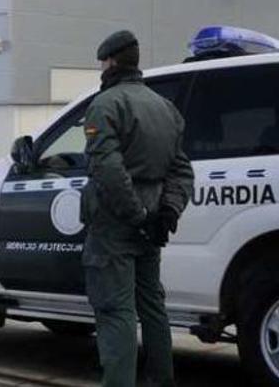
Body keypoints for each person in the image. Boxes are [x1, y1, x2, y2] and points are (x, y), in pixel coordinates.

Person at [81, 31, 195, 387]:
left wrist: (137, 216)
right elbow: (181, 169)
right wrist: (167, 214)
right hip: (151, 219)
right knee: (152, 306)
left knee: (116, 311)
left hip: (117, 223)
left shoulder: (106, 104)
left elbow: (108, 170)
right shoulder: (165, 107)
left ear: (111, 61)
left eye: (103, 61)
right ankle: (161, 380)